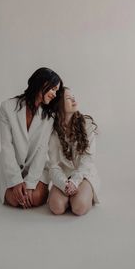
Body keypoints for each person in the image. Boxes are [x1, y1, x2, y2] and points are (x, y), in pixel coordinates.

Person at [0, 67, 63, 208]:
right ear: (41, 83)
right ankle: (15, 184)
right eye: (53, 89)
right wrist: (15, 181)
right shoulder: (7, 107)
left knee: (34, 198)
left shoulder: (49, 116)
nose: (54, 94)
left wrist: (30, 183)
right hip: (11, 167)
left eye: (57, 91)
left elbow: (41, 150)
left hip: (36, 168)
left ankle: (33, 187)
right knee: (15, 201)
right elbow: (6, 147)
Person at [48, 87, 100, 216]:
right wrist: (63, 183)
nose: (73, 99)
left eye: (73, 96)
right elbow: (53, 165)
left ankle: (82, 194)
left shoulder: (87, 124)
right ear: (59, 106)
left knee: (79, 207)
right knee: (56, 207)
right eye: (68, 98)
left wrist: (74, 182)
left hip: (84, 175)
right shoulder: (52, 131)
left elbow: (87, 161)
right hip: (63, 176)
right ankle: (68, 195)